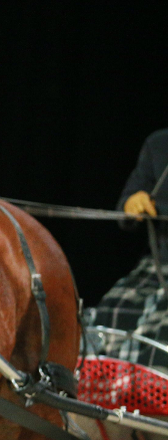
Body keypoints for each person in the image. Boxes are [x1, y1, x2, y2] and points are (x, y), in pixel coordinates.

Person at [88, 128, 168, 369]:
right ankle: (112, 395)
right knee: (112, 311)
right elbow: (128, 202)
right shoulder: (159, 143)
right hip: (158, 265)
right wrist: (132, 203)